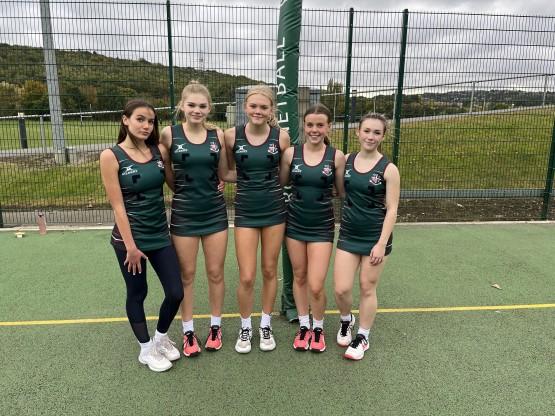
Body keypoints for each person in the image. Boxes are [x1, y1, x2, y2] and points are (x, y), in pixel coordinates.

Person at [99, 99, 183, 372]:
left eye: (151, 121)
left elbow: (173, 183)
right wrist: (131, 247)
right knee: (138, 292)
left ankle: (160, 338)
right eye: (140, 119)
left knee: (175, 292)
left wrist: (208, 181)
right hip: (129, 241)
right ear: (125, 120)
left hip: (159, 234)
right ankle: (146, 349)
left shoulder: (158, 151)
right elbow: (117, 206)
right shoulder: (111, 156)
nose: (146, 125)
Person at [160, 81, 235, 357]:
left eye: (202, 106)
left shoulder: (218, 135)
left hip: (214, 212)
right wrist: (182, 191)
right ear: (182, 106)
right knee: (187, 275)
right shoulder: (169, 134)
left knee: (215, 273)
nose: (196, 110)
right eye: (191, 105)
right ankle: (188, 331)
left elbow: (224, 172)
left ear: (209, 108)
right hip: (184, 214)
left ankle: (215, 327)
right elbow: (167, 174)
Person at [224, 85, 290, 353]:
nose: (258, 111)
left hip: (274, 210)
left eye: (264, 107)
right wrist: (248, 180)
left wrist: (265, 183)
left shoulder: (281, 137)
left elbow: (284, 176)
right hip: (245, 211)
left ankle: (265, 325)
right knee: (247, 276)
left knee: (270, 270)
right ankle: (245, 327)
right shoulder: (231, 136)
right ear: (245, 107)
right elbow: (226, 172)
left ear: (271, 109)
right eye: (253, 106)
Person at [333, 112, 400, 361]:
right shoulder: (347, 160)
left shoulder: (389, 169)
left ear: (383, 136)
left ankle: (362, 336)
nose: (371, 136)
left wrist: (381, 244)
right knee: (341, 289)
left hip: (375, 237)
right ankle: (346, 320)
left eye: (377, 132)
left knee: (367, 287)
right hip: (349, 233)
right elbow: (340, 191)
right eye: (367, 131)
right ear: (358, 132)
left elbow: (392, 209)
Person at [279, 103, 345, 352]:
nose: (314, 129)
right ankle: (304, 326)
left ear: (328, 127)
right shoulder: (290, 154)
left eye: (320, 125)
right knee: (299, 277)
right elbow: (280, 182)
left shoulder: (336, 156)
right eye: (310, 125)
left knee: (316, 285)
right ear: (304, 126)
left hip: (321, 226)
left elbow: (342, 191)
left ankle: (318, 327)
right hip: (295, 223)